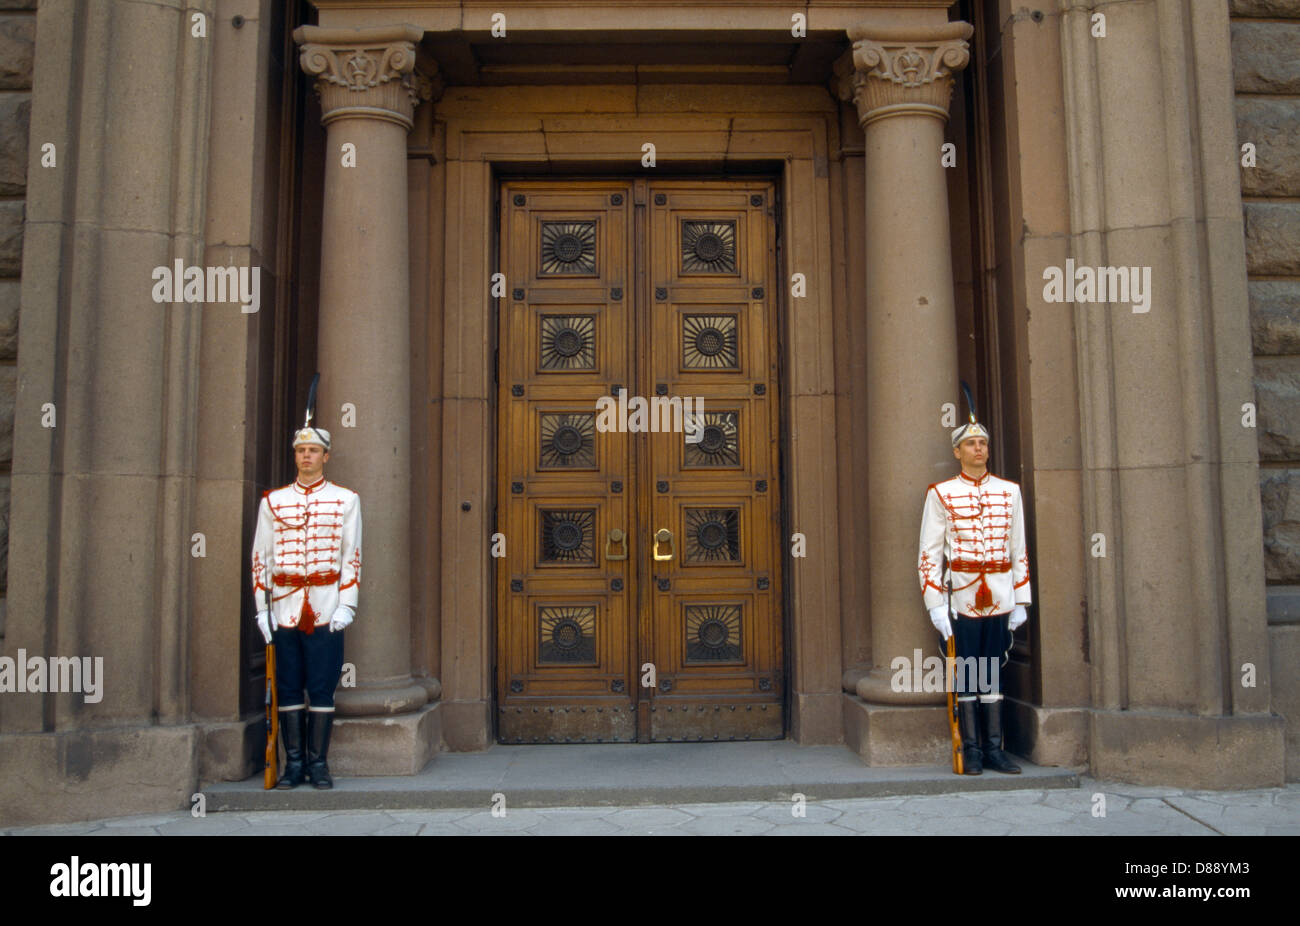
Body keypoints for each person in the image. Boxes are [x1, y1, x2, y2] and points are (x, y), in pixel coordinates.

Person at [917, 411, 1030, 775]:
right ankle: (971, 750)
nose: (978, 449)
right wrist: (935, 603)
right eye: (971, 444)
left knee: (993, 669)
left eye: (982, 443)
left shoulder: (1010, 491)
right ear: (957, 451)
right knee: (967, 671)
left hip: (1000, 593)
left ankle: (995, 749)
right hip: (961, 596)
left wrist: (1021, 598)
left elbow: (1019, 548)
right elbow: (929, 553)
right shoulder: (941, 494)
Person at [251, 421, 361, 789]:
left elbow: (352, 556)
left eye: (313, 451)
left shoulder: (346, 500)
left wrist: (348, 604)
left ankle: (318, 765)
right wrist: (261, 609)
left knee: (321, 686)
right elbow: (260, 559)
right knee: (287, 685)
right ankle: (293, 765)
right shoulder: (273, 501)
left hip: (326, 606)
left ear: (325, 457)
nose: (306, 456)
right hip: (283, 607)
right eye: (301, 451)